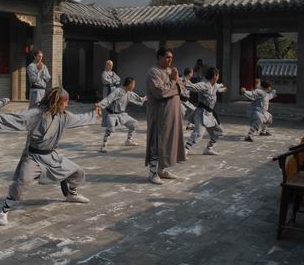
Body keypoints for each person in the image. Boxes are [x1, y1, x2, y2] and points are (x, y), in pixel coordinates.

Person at [0, 87, 101, 226]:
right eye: (65, 102)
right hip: (33, 157)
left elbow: (80, 118)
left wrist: (94, 114)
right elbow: (17, 119)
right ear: (57, 102)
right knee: (23, 181)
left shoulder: (64, 116)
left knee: (78, 172)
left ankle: (71, 194)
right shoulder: (37, 114)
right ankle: (4, 210)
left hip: (51, 156)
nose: (67, 105)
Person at [145, 47, 186, 185]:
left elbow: (182, 89)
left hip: (172, 114)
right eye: (167, 57)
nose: (170, 60)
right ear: (159, 57)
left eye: (171, 58)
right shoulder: (153, 72)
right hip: (159, 114)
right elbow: (160, 93)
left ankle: (162, 169)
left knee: (169, 142)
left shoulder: (171, 71)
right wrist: (173, 81)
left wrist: (176, 80)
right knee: (158, 142)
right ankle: (152, 173)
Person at [96, 77, 146, 153]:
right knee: (111, 128)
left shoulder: (129, 93)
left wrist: (146, 98)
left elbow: (139, 99)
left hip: (122, 114)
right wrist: (99, 105)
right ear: (130, 84)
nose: (134, 86)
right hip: (112, 114)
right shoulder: (117, 91)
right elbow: (108, 99)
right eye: (133, 84)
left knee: (134, 123)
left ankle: (129, 140)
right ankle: (104, 144)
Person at [185, 67, 228, 156]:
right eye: (218, 75)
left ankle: (208, 149)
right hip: (201, 113)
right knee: (198, 133)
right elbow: (193, 87)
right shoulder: (204, 85)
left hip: (210, 114)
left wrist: (223, 89)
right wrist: (183, 82)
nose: (218, 77)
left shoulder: (214, 85)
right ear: (215, 76)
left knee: (219, 132)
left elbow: (218, 88)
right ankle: (185, 150)